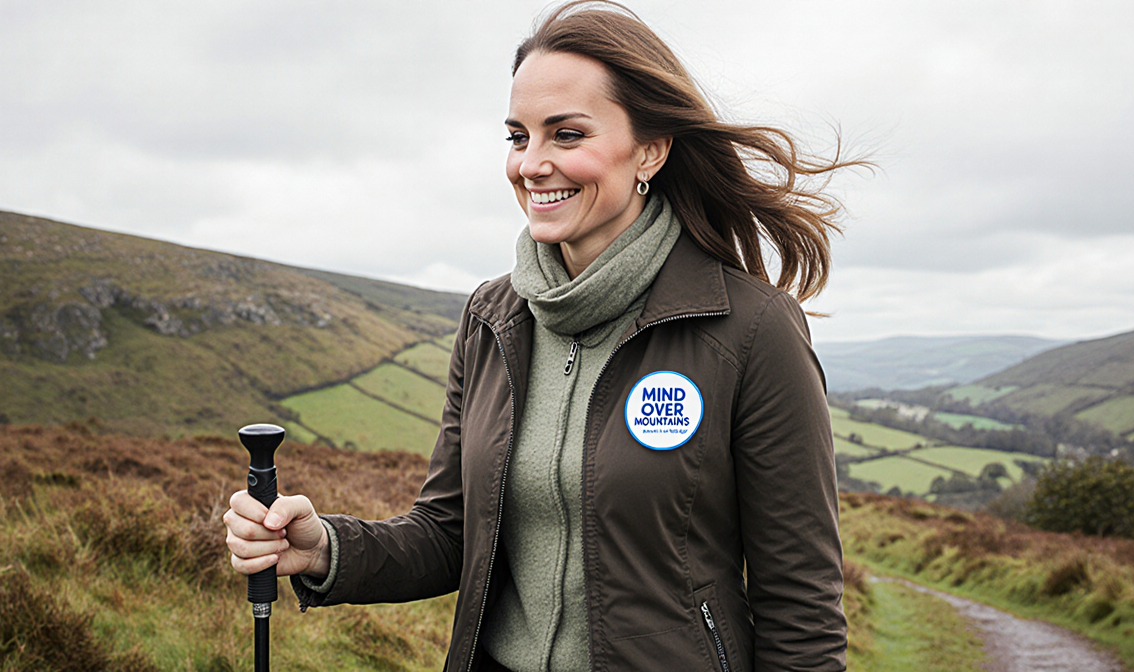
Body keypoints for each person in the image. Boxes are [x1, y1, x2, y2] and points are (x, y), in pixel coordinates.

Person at [223, 2, 859, 670]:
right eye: (517, 136)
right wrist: (323, 547)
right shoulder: (492, 319)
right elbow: (449, 534)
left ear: (650, 148)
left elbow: (802, 611)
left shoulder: (753, 329)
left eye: (567, 134)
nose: (532, 164)